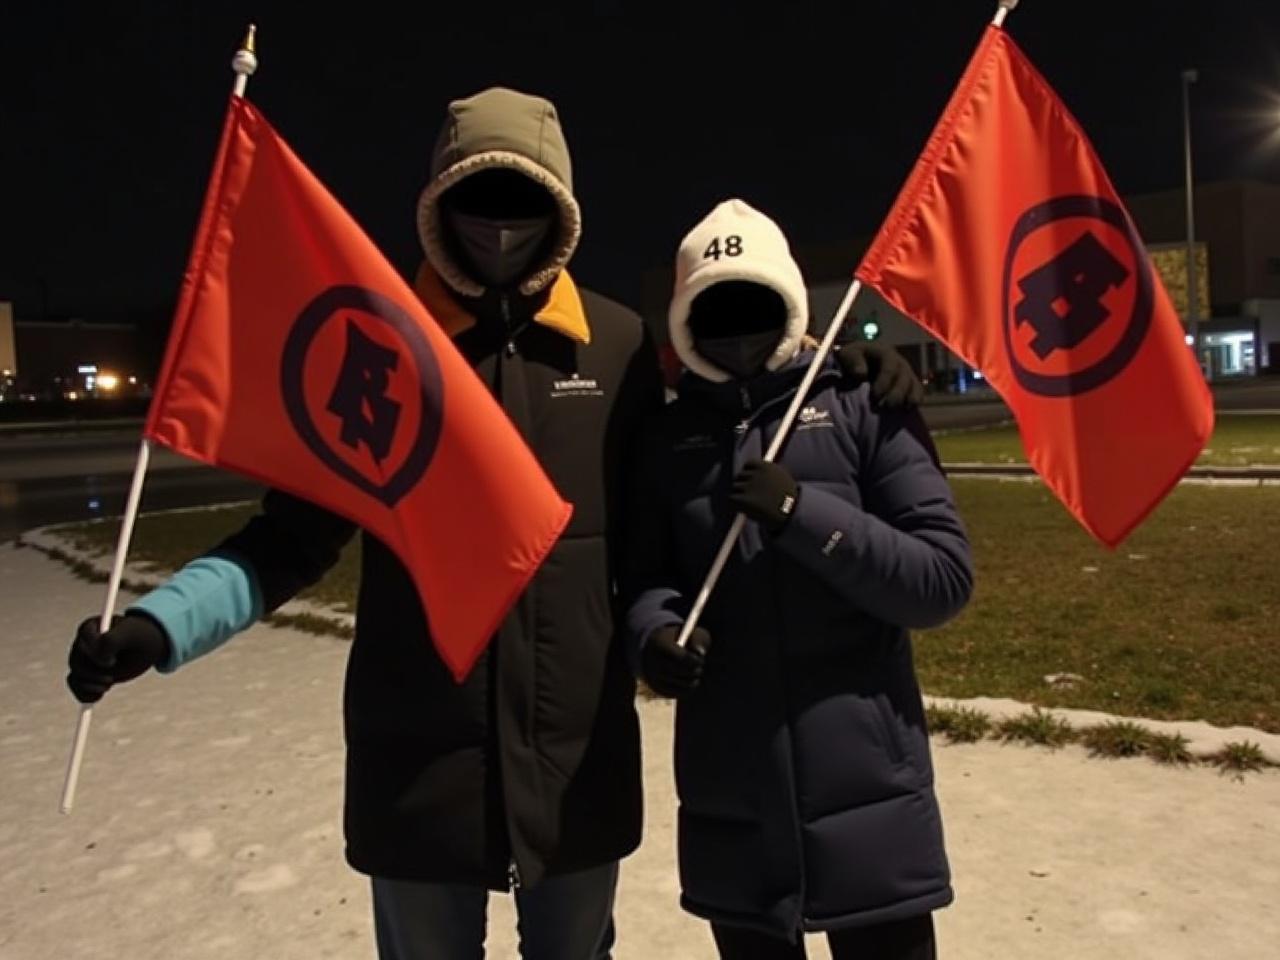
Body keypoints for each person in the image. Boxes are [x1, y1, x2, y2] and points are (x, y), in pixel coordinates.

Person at [65, 91, 923, 958]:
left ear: (563, 210)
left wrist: (829, 371)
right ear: (438, 204)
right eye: (479, 200)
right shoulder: (382, 342)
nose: (503, 227)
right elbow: (291, 538)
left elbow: (672, 512)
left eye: (527, 202)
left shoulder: (617, 348)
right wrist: (156, 626)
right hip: (418, 770)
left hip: (574, 768)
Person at [624, 199, 973, 960]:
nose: (739, 330)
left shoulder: (864, 404)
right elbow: (647, 577)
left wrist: (802, 514)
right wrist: (652, 635)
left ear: (789, 300)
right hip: (735, 799)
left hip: (871, 800)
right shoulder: (670, 439)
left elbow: (941, 581)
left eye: (756, 303)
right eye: (714, 310)